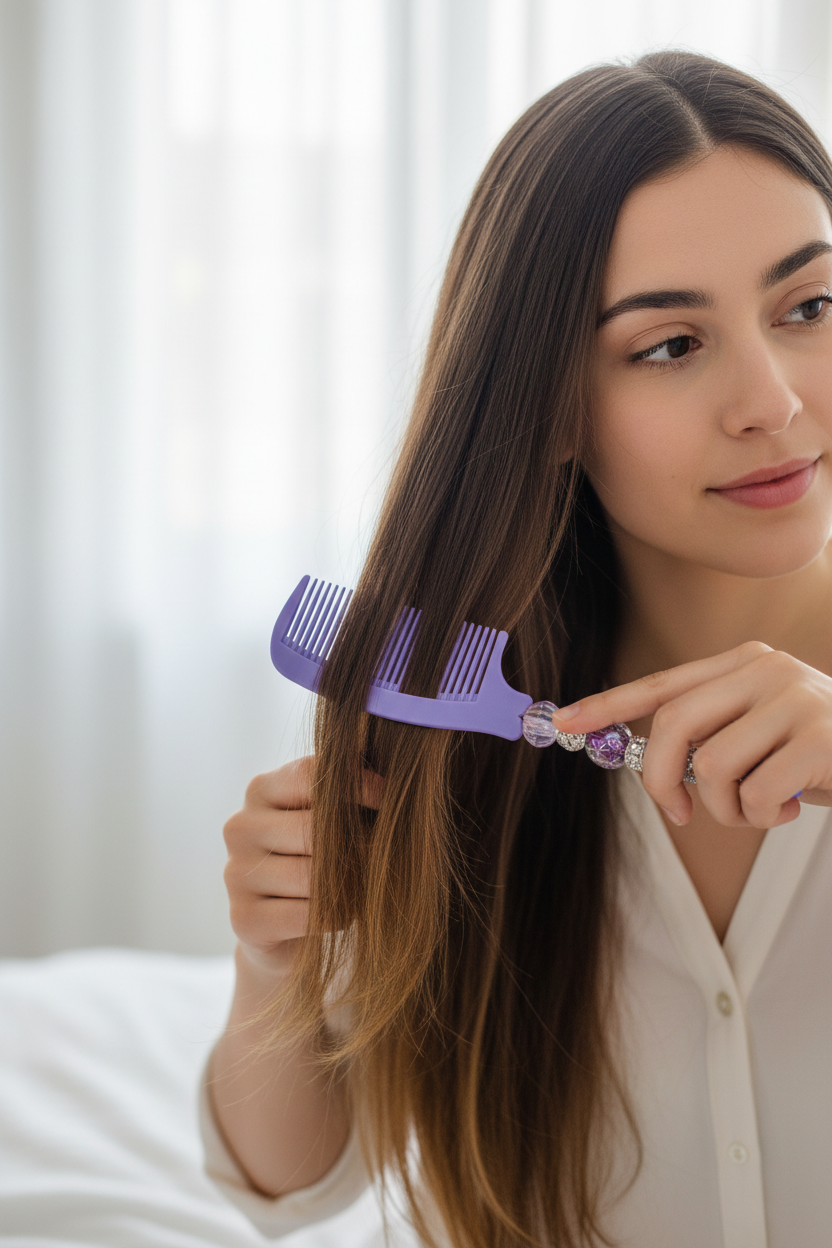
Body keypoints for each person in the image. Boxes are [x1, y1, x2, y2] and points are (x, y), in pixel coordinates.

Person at [200, 49, 832, 1248]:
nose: (773, 400)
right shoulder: (451, 736)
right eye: (669, 345)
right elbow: (287, 1187)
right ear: (547, 408)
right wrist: (274, 964)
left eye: (807, 308)